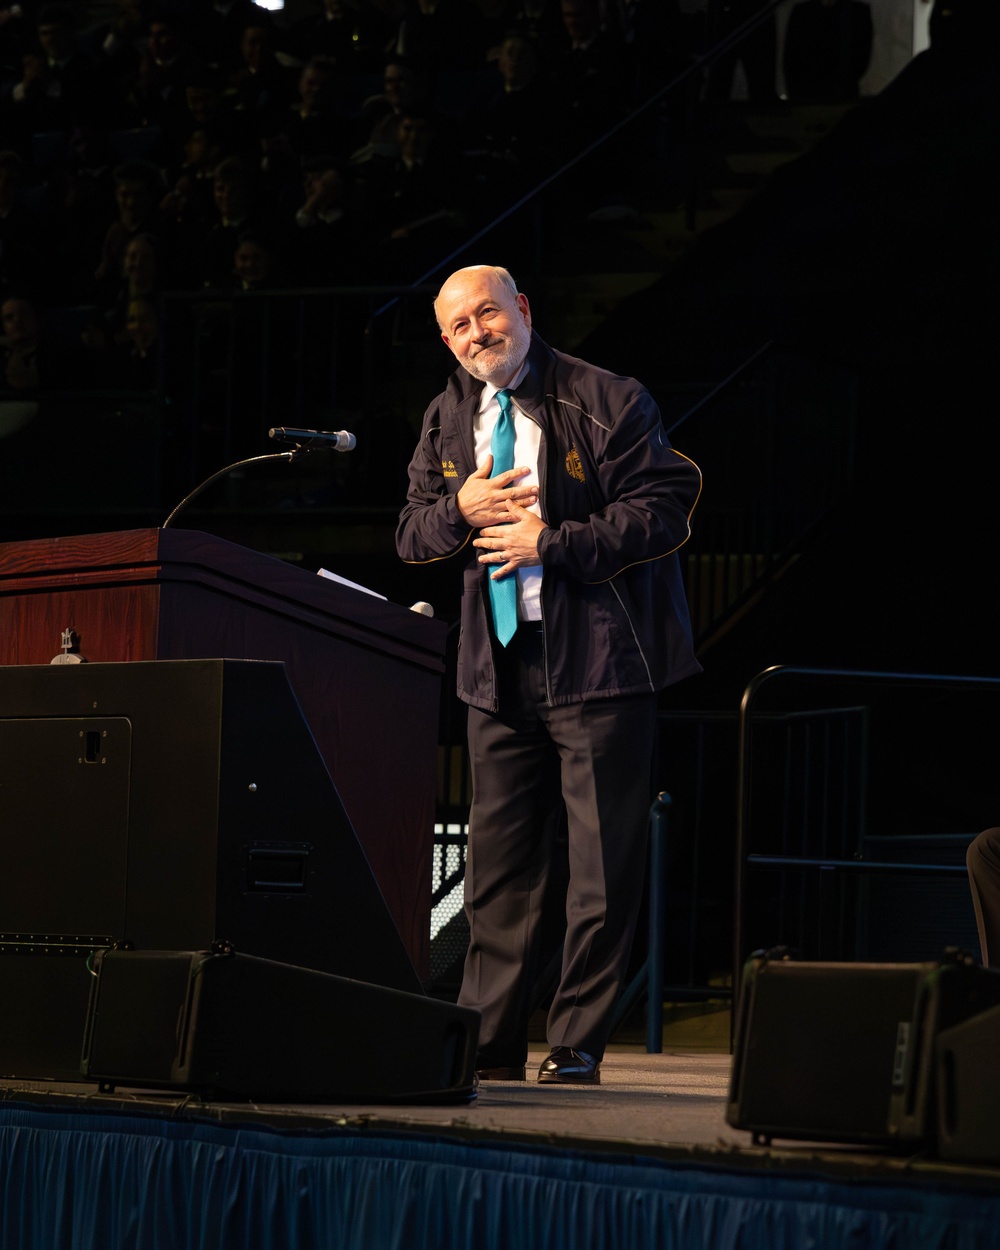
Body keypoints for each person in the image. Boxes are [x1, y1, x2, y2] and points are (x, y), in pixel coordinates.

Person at [396, 264, 702, 1084]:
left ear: (523, 310)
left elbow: (663, 506)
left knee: (601, 864)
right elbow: (411, 534)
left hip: (598, 662)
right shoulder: (447, 416)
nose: (476, 336)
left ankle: (576, 1042)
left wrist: (552, 543)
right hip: (494, 671)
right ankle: (487, 1043)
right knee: (498, 869)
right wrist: (457, 512)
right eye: (459, 328)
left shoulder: (606, 397)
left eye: (487, 315)